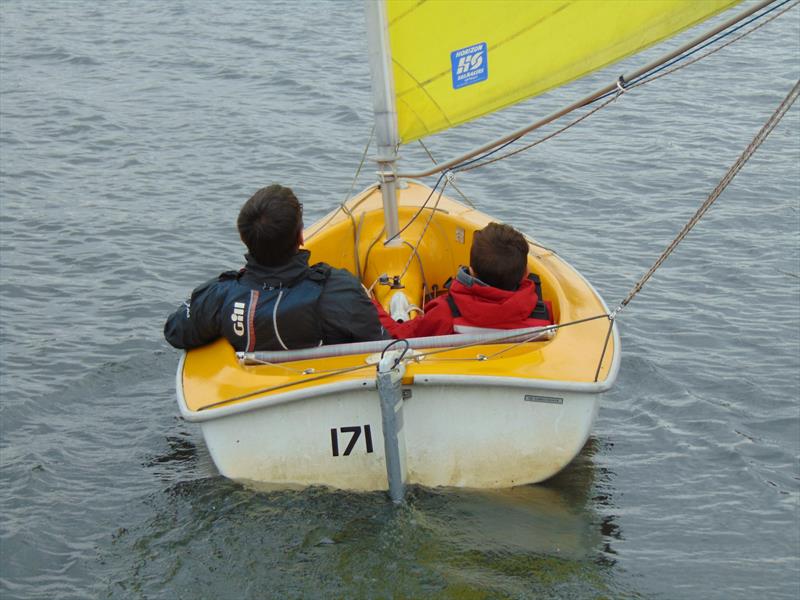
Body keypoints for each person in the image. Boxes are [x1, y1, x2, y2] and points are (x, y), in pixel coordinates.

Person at [164, 184, 385, 352]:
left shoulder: (220, 296)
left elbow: (175, 330)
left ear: (244, 238)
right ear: (300, 236)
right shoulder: (338, 290)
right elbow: (380, 343)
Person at [375, 222, 553, 339]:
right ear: (525, 273)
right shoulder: (544, 314)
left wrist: (369, 303)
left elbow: (398, 336)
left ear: (472, 272)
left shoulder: (444, 314)